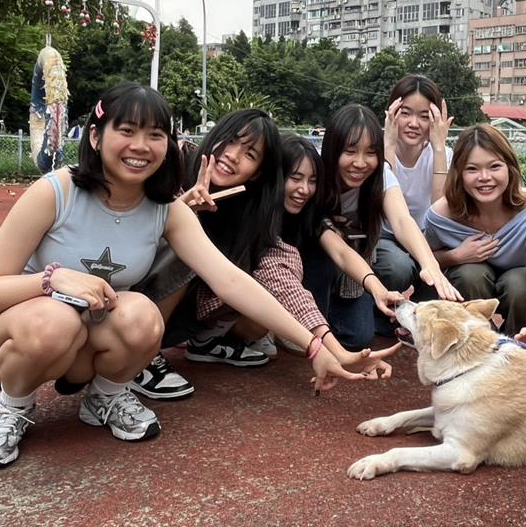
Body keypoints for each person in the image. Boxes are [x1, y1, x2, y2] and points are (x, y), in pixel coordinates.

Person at [0, 84, 363, 469]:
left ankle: (104, 397)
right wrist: (51, 281)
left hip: (90, 332)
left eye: (155, 134)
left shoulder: (166, 210)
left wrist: (314, 347)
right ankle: (12, 407)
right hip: (14, 333)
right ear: (97, 137)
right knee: (54, 319)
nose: (141, 146)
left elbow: (232, 282)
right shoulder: (56, 191)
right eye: (127, 130)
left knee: (141, 315)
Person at [130, 111, 397, 398]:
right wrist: (179, 212)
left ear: (258, 172)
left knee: (259, 297)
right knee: (186, 239)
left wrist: (327, 347)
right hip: (125, 298)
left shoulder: (254, 215)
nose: (233, 155)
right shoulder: (175, 165)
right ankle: (139, 358)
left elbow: (289, 278)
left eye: (250, 154)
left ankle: (202, 343)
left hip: (182, 315)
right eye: (231, 141)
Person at [306, 104, 461, 349]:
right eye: (350, 151)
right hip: (314, 258)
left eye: (370, 152)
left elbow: (402, 220)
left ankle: (347, 310)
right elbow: (337, 249)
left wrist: (430, 266)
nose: (360, 163)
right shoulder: (315, 174)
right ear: (333, 149)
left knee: (358, 337)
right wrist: (376, 287)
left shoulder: (381, 176)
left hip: (355, 263)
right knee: (307, 335)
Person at [424, 124, 526, 346]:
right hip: (471, 282)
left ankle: (521, 344)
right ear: (459, 174)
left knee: (520, 283)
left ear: (509, 167)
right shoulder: (441, 214)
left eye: (494, 166)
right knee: (468, 274)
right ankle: (479, 343)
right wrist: (457, 256)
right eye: (472, 169)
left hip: (515, 280)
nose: (485, 177)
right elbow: (425, 260)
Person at [374, 75, 454, 303]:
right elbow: (389, 211)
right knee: (397, 266)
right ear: (392, 114)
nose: (413, 123)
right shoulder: (374, 151)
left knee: (448, 268)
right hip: (386, 236)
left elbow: (438, 212)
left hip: (427, 236)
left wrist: (439, 148)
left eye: (424, 116)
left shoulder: (443, 156)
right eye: (405, 113)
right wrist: (388, 145)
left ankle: (422, 312)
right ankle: (383, 312)